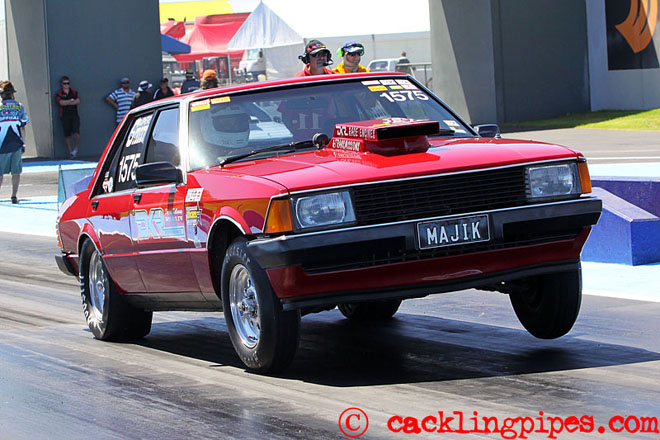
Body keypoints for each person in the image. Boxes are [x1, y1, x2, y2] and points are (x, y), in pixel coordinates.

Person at [0, 81, 29, 204]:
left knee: (0, 173)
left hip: (1, 145)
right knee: (16, 172)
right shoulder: (19, 107)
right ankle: (14, 195)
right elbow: (22, 127)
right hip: (16, 144)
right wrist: (23, 143)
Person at [55, 76, 81, 158]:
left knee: (76, 133)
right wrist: (70, 101)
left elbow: (78, 101)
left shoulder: (74, 92)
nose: (66, 85)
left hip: (74, 115)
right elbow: (61, 103)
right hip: (64, 116)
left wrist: (67, 102)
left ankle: (76, 149)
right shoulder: (59, 94)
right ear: (61, 84)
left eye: (68, 83)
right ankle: (70, 152)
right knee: (67, 135)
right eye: (64, 83)